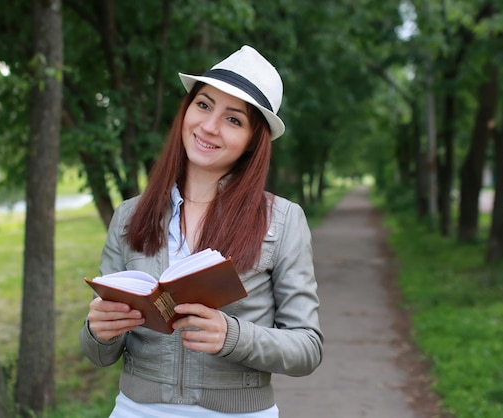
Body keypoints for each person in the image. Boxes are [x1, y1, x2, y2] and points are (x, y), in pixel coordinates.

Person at [80, 45, 323, 417]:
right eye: (204, 105)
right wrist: (98, 330)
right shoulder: (130, 215)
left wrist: (233, 336)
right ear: (187, 110)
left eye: (234, 119)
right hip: (136, 410)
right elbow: (100, 355)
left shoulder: (284, 219)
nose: (209, 127)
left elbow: (307, 348)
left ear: (253, 141)